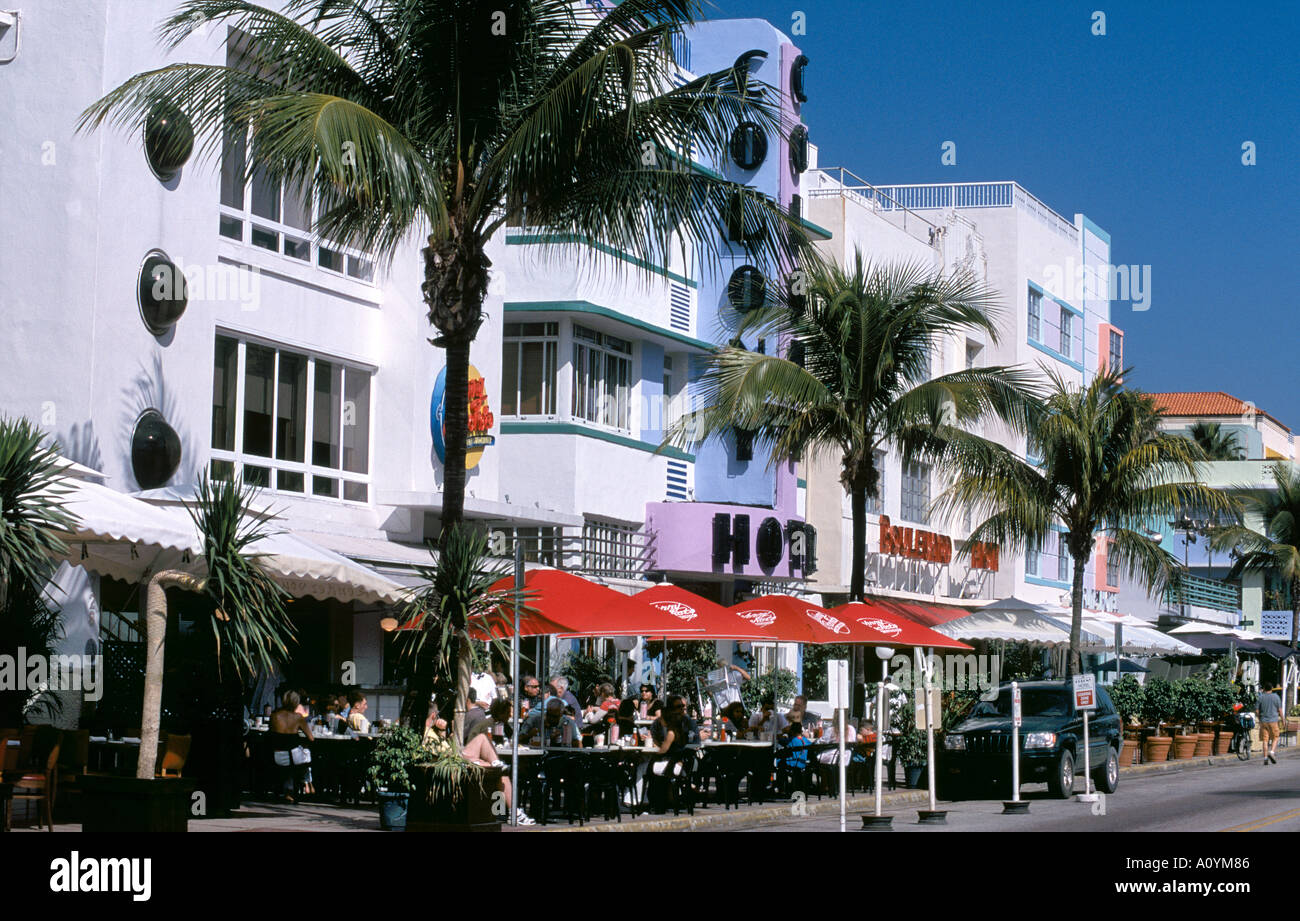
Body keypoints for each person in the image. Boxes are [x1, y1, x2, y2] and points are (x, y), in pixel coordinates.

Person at [271, 690, 314, 800]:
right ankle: (308, 781)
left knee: (291, 761)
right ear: (296, 703)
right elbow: (311, 738)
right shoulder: (298, 717)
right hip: (294, 757)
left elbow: (270, 734)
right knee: (306, 751)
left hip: (278, 755)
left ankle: (289, 790)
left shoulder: (275, 716)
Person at [1257, 684, 1283, 764]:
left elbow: (1257, 711)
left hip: (1263, 721)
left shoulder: (1260, 697)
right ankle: (1271, 752)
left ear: (1264, 688)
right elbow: (1280, 710)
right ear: (1272, 688)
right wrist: (1283, 720)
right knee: (1275, 737)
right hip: (1273, 721)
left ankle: (1265, 758)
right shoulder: (1276, 697)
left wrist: (1260, 719)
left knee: (1265, 740)